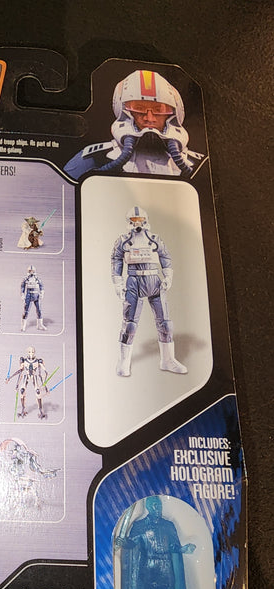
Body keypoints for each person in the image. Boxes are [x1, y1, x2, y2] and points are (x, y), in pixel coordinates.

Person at [64, 69, 204, 179]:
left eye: (158, 110)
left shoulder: (199, 165)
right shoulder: (95, 158)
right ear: (122, 109)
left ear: (173, 113)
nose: (149, 118)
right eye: (139, 108)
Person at [111, 206, 187, 377]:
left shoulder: (154, 239)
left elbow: (165, 256)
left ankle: (168, 360)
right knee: (129, 325)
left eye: (140, 220)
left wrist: (168, 276)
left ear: (145, 220)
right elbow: (116, 260)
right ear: (129, 221)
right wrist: (118, 283)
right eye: (134, 220)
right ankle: (124, 362)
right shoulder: (123, 241)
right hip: (134, 282)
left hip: (155, 281)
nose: (138, 223)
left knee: (165, 324)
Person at [6, 346, 49, 419]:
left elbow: (42, 373)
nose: (31, 353)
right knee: (22, 391)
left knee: (38, 391)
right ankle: (23, 410)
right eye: (30, 352)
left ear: (34, 352)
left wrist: (45, 387)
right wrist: (11, 379)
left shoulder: (38, 361)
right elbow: (20, 371)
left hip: (34, 377)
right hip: (26, 376)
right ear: (27, 352)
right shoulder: (24, 361)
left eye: (32, 352)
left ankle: (41, 411)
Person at [20, 265, 46, 331]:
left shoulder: (37, 279)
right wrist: (22, 295)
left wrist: (42, 293)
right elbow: (22, 288)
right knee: (26, 311)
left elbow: (41, 286)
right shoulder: (25, 279)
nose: (31, 272)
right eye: (30, 271)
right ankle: (23, 326)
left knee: (39, 310)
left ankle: (40, 325)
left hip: (36, 296)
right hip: (28, 296)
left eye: (32, 271)